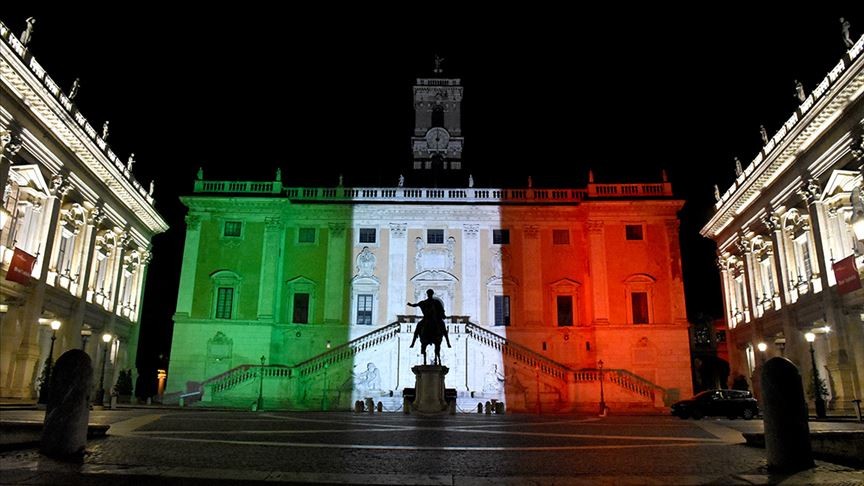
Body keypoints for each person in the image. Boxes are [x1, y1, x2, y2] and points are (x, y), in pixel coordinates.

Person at [408, 289, 451, 364]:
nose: (429, 295)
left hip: (429, 318)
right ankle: (413, 342)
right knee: (419, 327)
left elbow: (441, 310)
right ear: (429, 294)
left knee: (420, 327)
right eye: (429, 293)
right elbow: (416, 305)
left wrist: (411, 305)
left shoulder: (431, 302)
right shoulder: (429, 302)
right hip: (428, 318)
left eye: (430, 293)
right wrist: (411, 305)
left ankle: (448, 342)